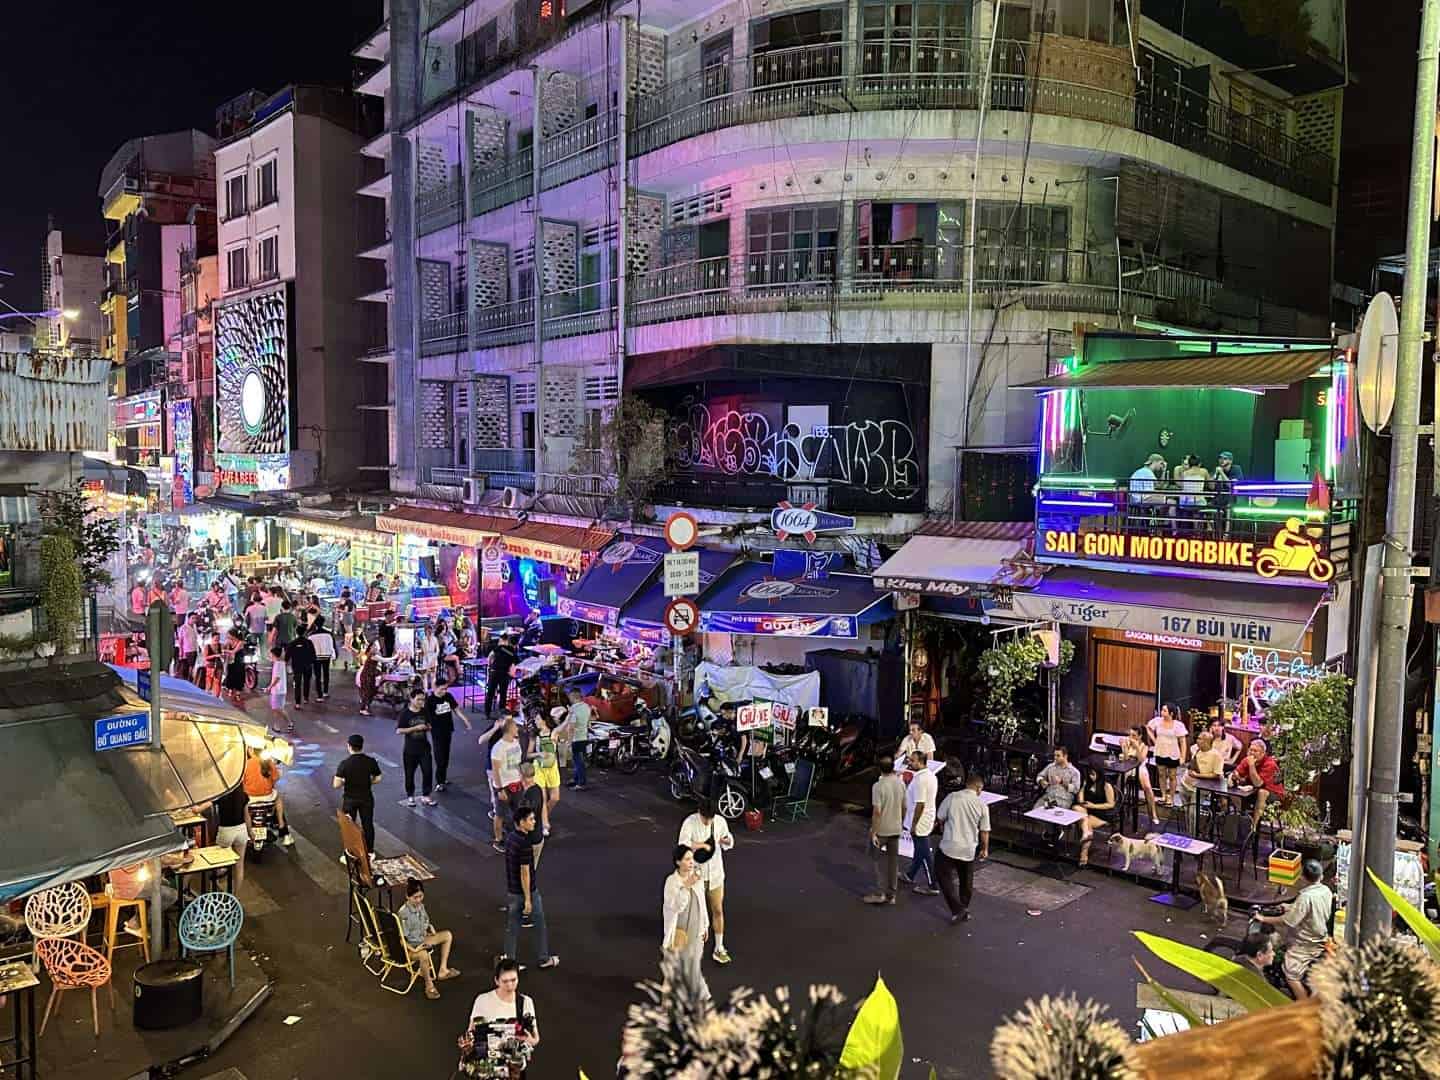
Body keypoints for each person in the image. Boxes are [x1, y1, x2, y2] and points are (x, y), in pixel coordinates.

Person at [1255, 859, 1332, 999]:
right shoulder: (1325, 890)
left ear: (1302, 877)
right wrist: (1289, 906)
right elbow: (1312, 911)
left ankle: (1303, 1008)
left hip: (1306, 943)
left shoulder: (1305, 897)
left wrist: (1263, 918)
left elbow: (1288, 921)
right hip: (1320, 936)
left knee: (1290, 973)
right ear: (1321, 876)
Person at [678, 800, 735, 964]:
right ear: (699, 812)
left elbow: (729, 840)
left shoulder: (720, 821)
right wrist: (702, 845)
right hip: (696, 876)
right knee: (693, 914)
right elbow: (682, 845)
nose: (708, 822)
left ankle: (719, 947)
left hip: (716, 874)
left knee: (717, 910)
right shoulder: (690, 823)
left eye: (711, 818)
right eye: (705, 819)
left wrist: (726, 841)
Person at [504, 806, 558, 969]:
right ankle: (543, 958)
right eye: (531, 819)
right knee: (540, 924)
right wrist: (528, 899)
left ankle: (509, 961)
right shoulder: (525, 844)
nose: (535, 822)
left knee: (512, 927)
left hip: (512, 890)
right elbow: (525, 872)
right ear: (521, 822)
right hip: (526, 892)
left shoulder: (511, 838)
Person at [935, 769, 990, 924]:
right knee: (966, 880)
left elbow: (940, 817)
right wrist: (985, 849)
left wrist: (941, 826)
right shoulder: (982, 805)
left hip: (949, 846)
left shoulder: (952, 797)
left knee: (942, 874)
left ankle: (957, 909)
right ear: (979, 788)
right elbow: (984, 831)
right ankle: (963, 907)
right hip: (968, 848)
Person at [465, 958, 539, 1072]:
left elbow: (535, 1039)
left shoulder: (525, 1002)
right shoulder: (483, 1000)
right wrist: (469, 1043)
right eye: (505, 981)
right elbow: (471, 1031)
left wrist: (529, 1040)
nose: (510, 985)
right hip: (487, 1063)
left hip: (513, 1065)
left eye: (513, 980)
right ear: (496, 981)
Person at [397, 879, 459, 999]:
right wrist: (415, 950)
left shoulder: (421, 907)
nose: (419, 900)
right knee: (424, 955)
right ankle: (429, 985)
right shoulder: (404, 914)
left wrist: (430, 929)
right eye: (415, 897)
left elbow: (426, 922)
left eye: (421, 896)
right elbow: (401, 940)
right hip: (410, 947)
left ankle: (443, 970)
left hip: (422, 939)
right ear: (407, 897)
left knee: (447, 935)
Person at [663, 845, 711, 1000]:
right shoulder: (671, 882)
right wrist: (686, 886)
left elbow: (702, 903)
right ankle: (669, 1001)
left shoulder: (696, 878)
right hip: (678, 930)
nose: (691, 862)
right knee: (675, 966)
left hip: (695, 928)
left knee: (694, 962)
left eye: (692, 858)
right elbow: (676, 906)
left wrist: (705, 926)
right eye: (687, 859)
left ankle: (699, 996)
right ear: (678, 862)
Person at [864, 755, 907, 905]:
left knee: (874, 859)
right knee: (893, 861)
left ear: (879, 769)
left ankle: (879, 892)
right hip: (896, 827)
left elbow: (877, 812)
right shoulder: (900, 784)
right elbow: (904, 806)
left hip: (882, 829)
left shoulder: (878, 786)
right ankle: (892, 894)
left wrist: (874, 831)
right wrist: (900, 821)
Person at [333, 733, 382, 855]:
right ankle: (370, 852)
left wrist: (346, 781)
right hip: (366, 798)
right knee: (368, 825)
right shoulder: (370, 761)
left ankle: (350, 852)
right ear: (361, 746)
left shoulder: (345, 764)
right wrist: (367, 781)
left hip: (350, 800)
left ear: (349, 746)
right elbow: (378, 778)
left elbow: (336, 784)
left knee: (349, 826)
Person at [425, 675, 472, 792]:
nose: (444, 691)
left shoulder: (448, 697)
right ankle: (439, 781)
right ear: (435, 688)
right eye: (442, 689)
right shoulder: (430, 701)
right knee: (439, 757)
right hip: (437, 732)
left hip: (448, 730)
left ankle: (443, 778)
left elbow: (456, 710)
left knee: (446, 756)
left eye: (446, 689)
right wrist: (427, 727)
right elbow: (426, 717)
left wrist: (465, 720)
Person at [903, 750, 940, 894]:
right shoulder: (930, 776)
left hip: (920, 822)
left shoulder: (920, 780)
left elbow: (920, 804)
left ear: (920, 762)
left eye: (912, 761)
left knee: (924, 854)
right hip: (925, 819)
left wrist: (913, 825)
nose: (910, 763)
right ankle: (910, 875)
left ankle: (933, 885)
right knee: (920, 851)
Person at [242, 745, 293, 846]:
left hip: (250, 799)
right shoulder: (268, 762)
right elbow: (276, 777)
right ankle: (282, 825)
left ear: (250, 750)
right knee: (278, 798)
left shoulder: (245, 764)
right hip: (267, 798)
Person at [1232, 736, 1285, 830]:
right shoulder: (1247, 760)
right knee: (1232, 790)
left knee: (1262, 792)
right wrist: (1236, 776)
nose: (1251, 753)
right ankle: (1244, 816)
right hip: (1253, 791)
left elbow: (1258, 784)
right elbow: (1237, 772)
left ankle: (1254, 827)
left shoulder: (1270, 764)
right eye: (1250, 750)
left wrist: (1251, 765)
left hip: (1273, 794)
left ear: (1263, 753)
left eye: (1255, 751)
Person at [397, 688, 437, 807]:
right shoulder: (405, 714)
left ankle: (426, 795)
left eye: (422, 700)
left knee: (428, 771)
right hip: (410, 750)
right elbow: (399, 730)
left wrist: (428, 727)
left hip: (424, 748)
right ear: (411, 699)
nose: (421, 702)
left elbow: (429, 724)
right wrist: (415, 728)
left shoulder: (425, 711)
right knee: (409, 774)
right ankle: (410, 795)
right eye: (418, 699)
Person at [491, 719, 525, 851]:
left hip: (516, 783)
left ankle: (518, 837)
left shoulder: (516, 743)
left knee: (518, 812)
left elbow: (518, 763)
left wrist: (521, 779)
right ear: (509, 729)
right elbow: (495, 770)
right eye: (516, 726)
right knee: (500, 814)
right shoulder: (498, 748)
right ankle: (498, 840)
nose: (518, 728)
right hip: (504, 786)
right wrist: (500, 789)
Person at [1146, 703, 1189, 808]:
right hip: (1160, 751)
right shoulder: (1157, 721)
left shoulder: (1178, 725)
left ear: (1171, 713)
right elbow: (1148, 727)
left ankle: (1171, 797)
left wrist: (1183, 757)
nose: (1162, 712)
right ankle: (1163, 795)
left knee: (1172, 776)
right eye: (1162, 710)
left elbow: (1183, 742)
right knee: (1161, 774)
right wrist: (1154, 740)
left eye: (1164, 710)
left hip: (1173, 753)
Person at [530, 709, 563, 835]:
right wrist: (539, 754)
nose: (536, 721)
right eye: (535, 719)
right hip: (539, 768)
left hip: (552, 768)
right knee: (542, 798)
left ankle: (541, 817)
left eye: (538, 719)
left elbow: (562, 727)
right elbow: (528, 754)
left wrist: (569, 715)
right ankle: (544, 824)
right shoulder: (535, 735)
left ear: (544, 720)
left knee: (555, 798)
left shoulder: (553, 733)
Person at [1075, 765, 1116, 867]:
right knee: (1076, 808)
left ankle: (1083, 854)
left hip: (1101, 812)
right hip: (1088, 810)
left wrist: (1094, 806)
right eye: (1089, 774)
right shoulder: (1087, 783)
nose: (1091, 777)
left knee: (1086, 822)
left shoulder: (1106, 785)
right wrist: (1083, 788)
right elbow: (1080, 800)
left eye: (1093, 774)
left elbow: (1111, 804)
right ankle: (1086, 833)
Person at [480, 714, 509, 851]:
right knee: (497, 796)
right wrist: (495, 729)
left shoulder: (511, 731)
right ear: (499, 721)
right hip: (493, 768)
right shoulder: (494, 729)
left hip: (507, 768)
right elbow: (481, 740)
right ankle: (499, 833)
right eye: (506, 720)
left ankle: (499, 815)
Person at [211, 782, 249, 888]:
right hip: (242, 831)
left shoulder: (222, 795)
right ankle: (236, 897)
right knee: (239, 865)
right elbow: (247, 817)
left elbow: (203, 806)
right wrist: (251, 833)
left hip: (226, 832)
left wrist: (195, 808)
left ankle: (217, 888)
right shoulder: (244, 795)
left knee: (217, 863)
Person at [1123, 725, 1162, 823]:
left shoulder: (1144, 745)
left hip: (1140, 766)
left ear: (1140, 736)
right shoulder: (1127, 743)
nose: (1131, 737)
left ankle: (1153, 813)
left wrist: (1137, 748)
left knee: (1147, 788)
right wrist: (1123, 747)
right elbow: (1126, 758)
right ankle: (1119, 807)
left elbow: (1141, 760)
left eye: (1134, 735)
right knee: (1120, 779)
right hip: (1128, 766)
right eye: (1130, 735)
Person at [516, 764, 547, 870]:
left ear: (522, 776)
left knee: (525, 871)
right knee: (531, 869)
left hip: (530, 840)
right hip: (538, 836)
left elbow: (525, 821)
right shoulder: (538, 788)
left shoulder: (527, 798)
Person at [561, 689, 594, 790]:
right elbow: (589, 721)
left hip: (576, 739)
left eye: (570, 697)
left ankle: (581, 783)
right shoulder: (587, 707)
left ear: (573, 697)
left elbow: (571, 727)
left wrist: (569, 742)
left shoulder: (573, 710)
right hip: (584, 737)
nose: (569, 699)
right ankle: (575, 779)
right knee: (578, 761)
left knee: (578, 762)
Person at [485, 630, 519, 718]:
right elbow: (514, 665)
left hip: (494, 672)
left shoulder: (498, 648)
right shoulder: (512, 652)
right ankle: (502, 713)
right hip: (504, 674)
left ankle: (487, 713)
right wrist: (512, 674)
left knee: (490, 693)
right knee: (503, 694)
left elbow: (490, 657)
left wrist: (490, 666)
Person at [308, 616, 335, 701]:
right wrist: (333, 656)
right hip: (326, 656)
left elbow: (310, 648)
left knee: (317, 676)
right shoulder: (329, 634)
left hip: (316, 657)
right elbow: (332, 646)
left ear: (315, 623)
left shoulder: (311, 635)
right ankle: (325, 692)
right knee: (326, 673)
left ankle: (319, 696)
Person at [289, 626, 317, 709]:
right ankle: (306, 698)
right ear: (305, 632)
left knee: (297, 684)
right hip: (307, 665)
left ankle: (298, 703)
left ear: (296, 633)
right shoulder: (309, 642)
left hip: (296, 666)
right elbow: (313, 655)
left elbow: (288, 656)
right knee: (307, 682)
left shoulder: (293, 643)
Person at [267, 645, 292, 734]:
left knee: (278, 709)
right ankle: (278, 725)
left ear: (274, 654)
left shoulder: (278, 664)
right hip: (280, 690)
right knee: (277, 709)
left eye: (270, 654)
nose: (269, 655)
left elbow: (277, 678)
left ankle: (287, 723)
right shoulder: (280, 663)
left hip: (278, 690)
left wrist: (269, 687)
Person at [222, 627, 249, 706]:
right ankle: (230, 690)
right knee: (230, 676)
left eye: (229, 635)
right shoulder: (229, 641)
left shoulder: (240, 642)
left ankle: (238, 694)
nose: (228, 637)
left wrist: (225, 651)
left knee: (239, 677)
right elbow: (224, 646)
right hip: (231, 662)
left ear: (234, 635)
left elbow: (234, 651)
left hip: (239, 663)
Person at [176, 612, 200, 682]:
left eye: (195, 618)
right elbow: (180, 641)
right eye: (192, 618)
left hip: (194, 649)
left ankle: (190, 679)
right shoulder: (183, 628)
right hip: (187, 650)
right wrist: (181, 652)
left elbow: (195, 638)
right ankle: (185, 680)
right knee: (186, 667)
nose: (194, 620)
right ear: (188, 618)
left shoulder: (195, 626)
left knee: (192, 666)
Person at [357, 648, 380, 716]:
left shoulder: (373, 655)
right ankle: (363, 709)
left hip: (370, 675)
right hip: (367, 676)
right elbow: (384, 660)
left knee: (371, 691)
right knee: (367, 692)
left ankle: (366, 706)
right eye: (375, 647)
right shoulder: (373, 656)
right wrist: (396, 656)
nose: (376, 648)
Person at [418, 624, 440, 693]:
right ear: (425, 631)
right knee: (425, 676)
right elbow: (424, 651)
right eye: (427, 630)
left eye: (430, 630)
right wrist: (428, 661)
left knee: (433, 676)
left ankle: (434, 690)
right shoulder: (423, 640)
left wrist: (435, 657)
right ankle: (426, 691)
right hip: (426, 658)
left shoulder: (435, 638)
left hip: (433, 658)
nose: (429, 632)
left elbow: (438, 649)